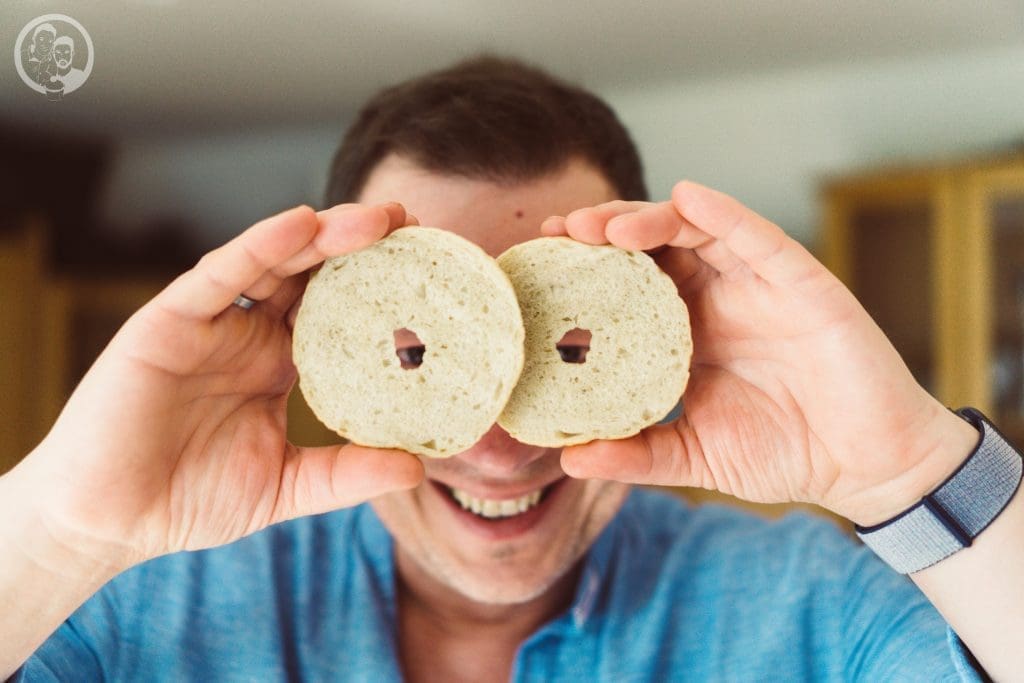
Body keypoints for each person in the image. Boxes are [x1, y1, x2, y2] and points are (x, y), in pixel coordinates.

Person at [2, 56, 1021, 681]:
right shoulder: (137, 609)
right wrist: (54, 530)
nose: (496, 440)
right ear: (330, 337)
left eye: (559, 348)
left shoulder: (808, 605)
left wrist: (910, 471)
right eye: (422, 350)